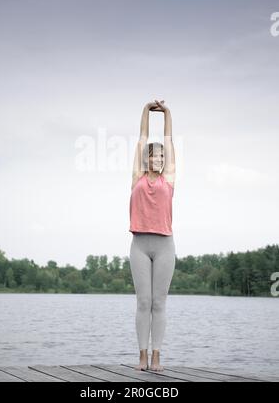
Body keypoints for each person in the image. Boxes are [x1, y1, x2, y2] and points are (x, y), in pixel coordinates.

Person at [129, 99, 176, 372]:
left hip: (164, 246)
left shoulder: (168, 178)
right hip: (139, 244)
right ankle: (142, 355)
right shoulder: (137, 177)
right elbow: (142, 138)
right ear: (146, 159)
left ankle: (157, 355)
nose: (158, 160)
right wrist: (147, 110)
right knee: (143, 301)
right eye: (153, 156)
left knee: (159, 302)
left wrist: (167, 113)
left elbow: (168, 141)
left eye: (161, 157)